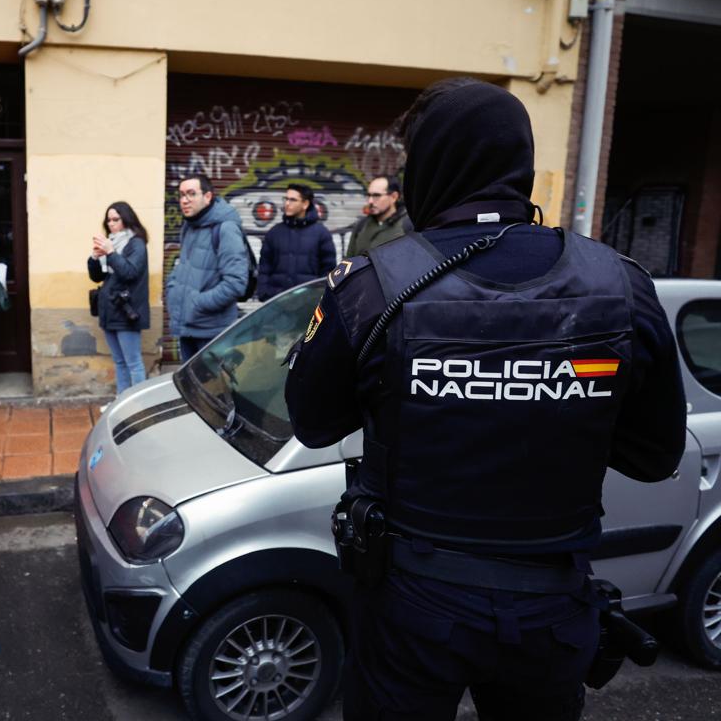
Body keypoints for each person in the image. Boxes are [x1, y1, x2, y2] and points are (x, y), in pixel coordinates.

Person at [285, 78, 686, 721]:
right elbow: (653, 454)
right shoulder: (622, 284)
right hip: (551, 608)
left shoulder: (372, 286)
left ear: (433, 168)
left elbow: (312, 421)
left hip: (413, 606)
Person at [165, 175, 249, 361]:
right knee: (189, 388)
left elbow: (236, 283)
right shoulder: (189, 226)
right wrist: (173, 289)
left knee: (214, 388)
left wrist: (197, 303)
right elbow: (184, 267)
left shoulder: (226, 228)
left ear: (208, 197)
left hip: (212, 332)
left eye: (191, 194)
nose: (184, 200)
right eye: (181, 195)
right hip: (187, 327)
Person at [87, 201, 151, 395]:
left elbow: (130, 272)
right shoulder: (111, 242)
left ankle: (138, 407)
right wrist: (95, 258)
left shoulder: (136, 244)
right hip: (109, 310)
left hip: (127, 311)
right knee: (119, 361)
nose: (111, 224)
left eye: (116, 219)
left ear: (127, 219)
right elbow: (97, 277)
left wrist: (111, 252)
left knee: (134, 363)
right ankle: (120, 404)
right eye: (108, 220)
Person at [255, 183, 337, 301]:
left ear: (305, 204)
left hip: (308, 306)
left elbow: (328, 273)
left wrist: (316, 298)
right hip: (277, 305)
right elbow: (264, 269)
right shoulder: (274, 233)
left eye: (293, 200)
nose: (287, 203)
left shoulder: (321, 234)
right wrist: (265, 294)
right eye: (286, 199)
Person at [345, 175, 411, 257]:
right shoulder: (361, 225)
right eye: (369, 195)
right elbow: (349, 262)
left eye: (376, 195)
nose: (370, 201)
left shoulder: (407, 226)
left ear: (394, 197)